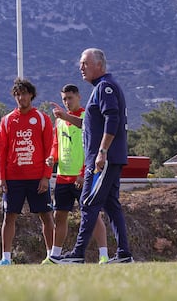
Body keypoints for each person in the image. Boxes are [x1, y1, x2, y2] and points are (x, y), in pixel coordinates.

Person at [50, 48, 134, 264]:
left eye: (85, 63)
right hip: (108, 159)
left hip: (103, 160)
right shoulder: (101, 88)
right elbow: (88, 124)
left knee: (88, 202)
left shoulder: (105, 87)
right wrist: (66, 116)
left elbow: (112, 119)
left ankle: (78, 254)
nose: (81, 67)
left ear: (99, 65)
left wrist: (102, 151)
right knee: (112, 205)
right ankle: (124, 254)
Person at [43, 84, 109, 264]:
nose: (67, 102)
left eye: (70, 98)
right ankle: (54, 255)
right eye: (64, 99)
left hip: (83, 175)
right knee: (59, 216)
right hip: (63, 176)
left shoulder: (86, 116)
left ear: (79, 97)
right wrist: (51, 157)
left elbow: (92, 146)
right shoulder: (59, 120)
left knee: (92, 214)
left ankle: (104, 255)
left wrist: (83, 172)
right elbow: (57, 144)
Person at [0, 78, 55, 265]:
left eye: (24, 93)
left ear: (31, 95)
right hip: (13, 178)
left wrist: (46, 176)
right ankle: (6, 258)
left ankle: (52, 256)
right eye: (17, 94)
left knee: (46, 216)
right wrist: (1, 178)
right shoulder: (6, 120)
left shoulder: (42, 118)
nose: (21, 97)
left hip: (37, 177)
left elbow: (50, 150)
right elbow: (1, 151)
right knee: (9, 216)